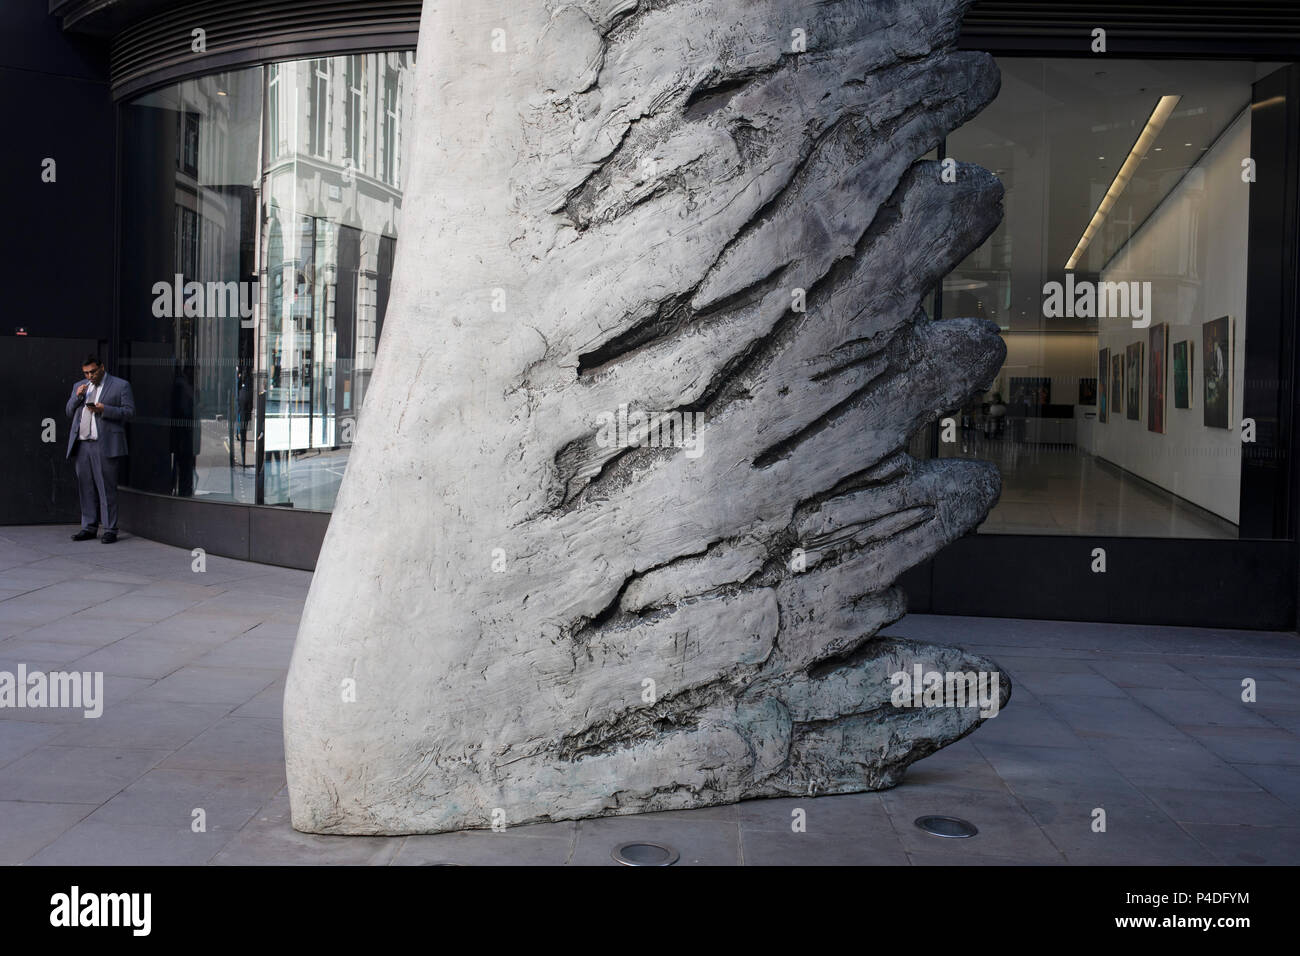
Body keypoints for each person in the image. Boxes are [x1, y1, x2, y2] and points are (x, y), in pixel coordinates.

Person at [66, 354, 135, 543]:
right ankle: (89, 527)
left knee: (106, 488)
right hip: (82, 444)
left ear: (102, 368)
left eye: (93, 372)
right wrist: (77, 397)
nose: (90, 376)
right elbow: (69, 411)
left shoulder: (120, 385)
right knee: (86, 487)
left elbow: (129, 412)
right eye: (86, 373)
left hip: (105, 444)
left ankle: (110, 529)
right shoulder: (80, 386)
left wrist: (105, 409)